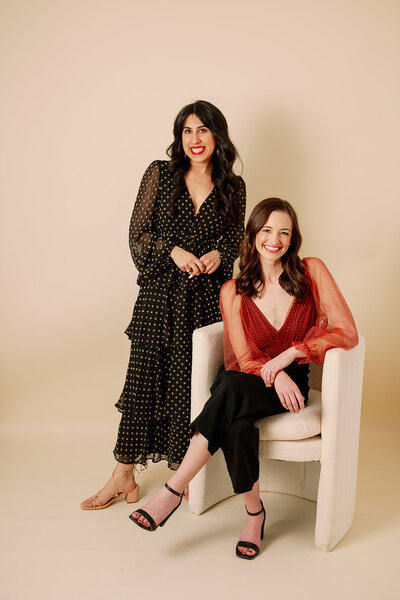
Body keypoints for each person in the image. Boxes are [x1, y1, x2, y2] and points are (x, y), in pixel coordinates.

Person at [129, 198, 359, 559]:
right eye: (267, 230)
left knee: (228, 389)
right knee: (236, 416)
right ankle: (255, 513)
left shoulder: (311, 270)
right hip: (247, 377)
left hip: (289, 383)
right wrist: (273, 373)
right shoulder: (233, 291)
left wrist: (292, 355)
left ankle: (173, 490)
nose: (275, 239)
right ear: (253, 235)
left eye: (284, 232)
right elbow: (244, 359)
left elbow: (346, 332)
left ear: (293, 238)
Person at [81, 101, 246, 510]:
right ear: (180, 137)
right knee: (142, 384)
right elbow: (138, 234)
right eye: (187, 131)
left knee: (193, 387)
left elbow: (235, 241)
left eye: (203, 130)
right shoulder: (160, 173)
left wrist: (216, 256)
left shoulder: (233, 188)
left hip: (207, 300)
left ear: (217, 136)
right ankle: (122, 475)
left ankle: (184, 473)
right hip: (159, 298)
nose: (194, 139)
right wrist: (173, 251)